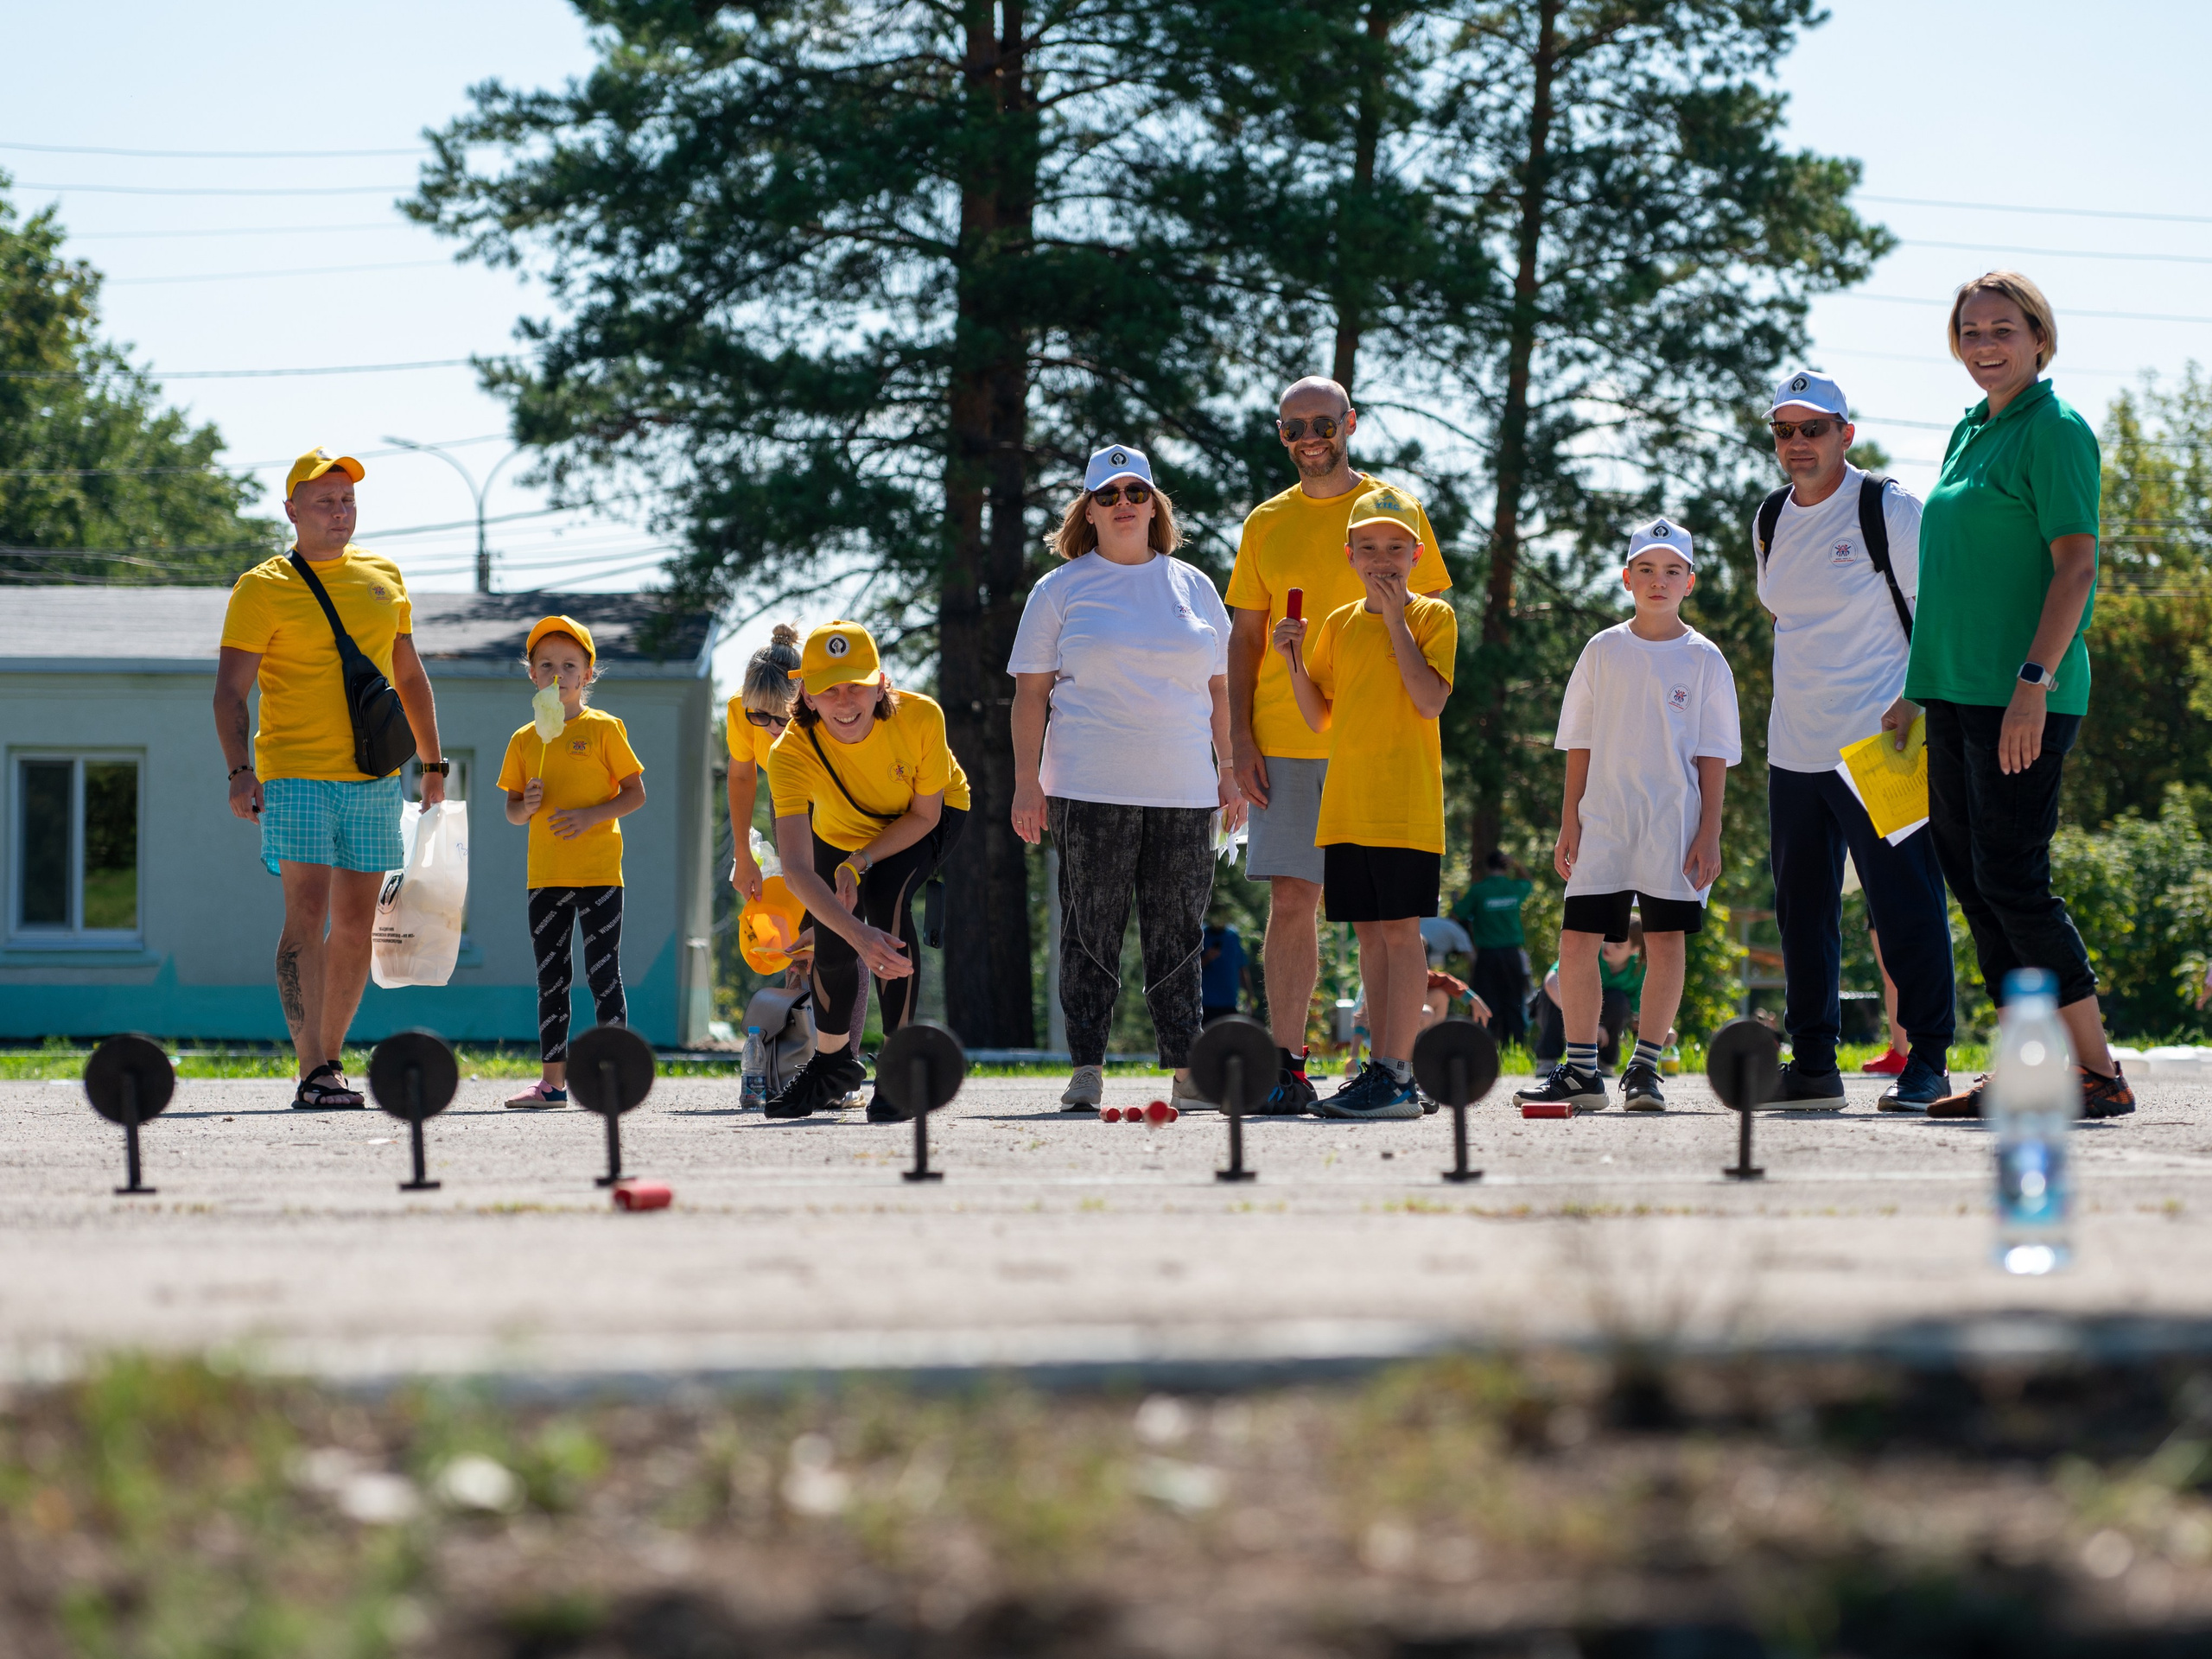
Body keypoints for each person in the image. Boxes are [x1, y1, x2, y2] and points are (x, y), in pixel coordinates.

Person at [1907, 272, 2133, 1119]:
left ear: (2039, 336)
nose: (1983, 345)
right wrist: (1912, 688)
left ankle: (2098, 1074)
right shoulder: (1971, 430)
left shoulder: (2057, 429)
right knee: (1972, 877)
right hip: (1954, 692)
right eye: (1969, 332)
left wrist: (2032, 682)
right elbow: (1955, 576)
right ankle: (2030, 1067)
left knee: (2012, 877)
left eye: (2001, 329)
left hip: (2023, 695)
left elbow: (2076, 566)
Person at [1226, 376, 1452, 1113]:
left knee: (1382, 921)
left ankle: (1390, 1069)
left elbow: (1428, 621)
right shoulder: (1265, 522)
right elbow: (1247, 637)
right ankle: (1286, 1066)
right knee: (1294, 899)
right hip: (1289, 733)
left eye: (1322, 421)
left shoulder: (1395, 509)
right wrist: (1238, 737)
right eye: (1292, 427)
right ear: (1282, 435)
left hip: (1376, 753)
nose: (1308, 436)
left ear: (1349, 422)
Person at [1010, 443, 1242, 1114]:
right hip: (1088, 786)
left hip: (1184, 789)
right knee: (1090, 931)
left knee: (1179, 934)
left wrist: (1230, 772)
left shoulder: (1193, 585)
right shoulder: (1058, 590)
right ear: (1087, 508)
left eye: (1135, 492)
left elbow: (1222, 690)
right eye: (1106, 495)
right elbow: (1029, 698)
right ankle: (1086, 1068)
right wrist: (1029, 783)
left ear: (1154, 504)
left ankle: (1187, 1071)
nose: (1122, 505)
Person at [214, 448, 447, 1109]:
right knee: (307, 913)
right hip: (293, 775)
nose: (340, 513)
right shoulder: (262, 587)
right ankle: (309, 1066)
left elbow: (409, 676)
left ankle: (333, 1062)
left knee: (355, 925)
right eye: (325, 501)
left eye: (347, 501)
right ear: (292, 511)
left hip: (373, 777)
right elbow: (230, 691)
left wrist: (433, 764)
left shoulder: (383, 575)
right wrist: (240, 771)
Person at [1753, 366, 1956, 1111]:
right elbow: (1791, 623)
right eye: (1786, 430)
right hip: (1794, 750)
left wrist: (1915, 699)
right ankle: (1812, 1066)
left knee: (1905, 906)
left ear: (1846, 433)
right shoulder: (1770, 517)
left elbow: (1940, 612)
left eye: (1814, 429)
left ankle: (1928, 1061)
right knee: (1801, 918)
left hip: (1885, 741)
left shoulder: (1887, 507)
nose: (1799, 443)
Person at [1516, 518, 1739, 1113]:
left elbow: (1715, 753)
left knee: (1665, 941)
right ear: (1626, 578)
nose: (1658, 581)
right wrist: (1571, 821)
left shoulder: (1704, 658)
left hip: (1674, 820)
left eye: (1671, 571)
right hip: (1605, 819)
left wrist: (1709, 831)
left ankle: (1645, 1070)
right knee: (1577, 938)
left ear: (1689, 582)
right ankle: (1583, 1070)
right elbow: (1580, 741)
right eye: (1645, 569)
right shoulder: (1604, 649)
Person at [1271, 483, 1468, 1118]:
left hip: (1405, 804)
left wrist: (1394, 623)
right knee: (1368, 936)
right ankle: (1381, 1069)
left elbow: (1429, 699)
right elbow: (1318, 717)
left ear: (1416, 555)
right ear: (1349, 554)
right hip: (1348, 805)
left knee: (1400, 934)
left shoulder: (1433, 617)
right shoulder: (1336, 624)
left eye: (1395, 548)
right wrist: (1295, 661)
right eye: (1369, 548)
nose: (1382, 559)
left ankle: (1400, 1075)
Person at [767, 621, 970, 1119]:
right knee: (833, 936)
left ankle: (900, 1066)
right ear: (807, 696)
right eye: (829, 688)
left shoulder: (922, 717)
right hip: (840, 830)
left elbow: (924, 815)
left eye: (856, 684)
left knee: (885, 901)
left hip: (924, 819)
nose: (845, 700)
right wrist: (852, 932)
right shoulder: (788, 753)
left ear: (881, 682)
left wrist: (860, 865)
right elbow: (795, 868)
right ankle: (833, 1064)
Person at [496, 617, 647, 1108]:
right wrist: (528, 805)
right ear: (533, 676)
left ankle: (617, 1074)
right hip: (545, 877)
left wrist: (589, 817)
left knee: (604, 974)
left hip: (600, 872)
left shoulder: (605, 728)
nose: (558, 674)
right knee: (552, 978)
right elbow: (513, 813)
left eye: (569, 665)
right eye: (546, 666)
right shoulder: (524, 739)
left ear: (587, 674)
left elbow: (634, 794)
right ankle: (552, 1084)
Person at [727, 624, 804, 902]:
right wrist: (743, 854)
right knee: (795, 883)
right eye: (760, 715)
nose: (772, 726)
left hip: (831, 789)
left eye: (783, 717)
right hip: (783, 789)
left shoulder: (820, 709)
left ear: (804, 698)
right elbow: (741, 778)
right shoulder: (739, 708)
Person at [1452, 851, 1535, 1046]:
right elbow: (1529, 881)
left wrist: (1456, 900)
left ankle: (1486, 1046)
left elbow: (1458, 915)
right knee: (1514, 1000)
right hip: (1512, 954)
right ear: (1505, 867)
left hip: (1487, 956)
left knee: (1486, 1001)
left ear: (1487, 868)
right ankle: (1517, 1046)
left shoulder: (1479, 891)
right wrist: (1516, 864)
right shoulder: (1514, 887)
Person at [1202, 910, 1249, 1025]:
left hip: (1229, 1003)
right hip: (1205, 1004)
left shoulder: (1233, 935)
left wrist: (1249, 997)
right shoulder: (1201, 934)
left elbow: (1241, 968)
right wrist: (1207, 958)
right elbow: (1191, 971)